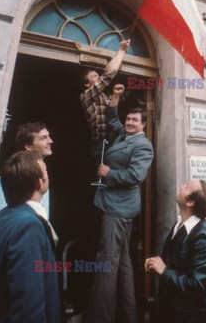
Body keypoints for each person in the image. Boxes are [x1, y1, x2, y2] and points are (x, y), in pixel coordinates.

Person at [88, 83, 154, 323]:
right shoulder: (123, 136)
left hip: (118, 209)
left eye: (135, 120)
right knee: (123, 264)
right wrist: (115, 97)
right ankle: (129, 316)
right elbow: (113, 119)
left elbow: (135, 177)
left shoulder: (143, 145)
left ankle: (100, 319)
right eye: (129, 118)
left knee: (107, 263)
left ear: (143, 125)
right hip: (115, 206)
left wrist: (108, 174)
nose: (129, 122)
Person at [0, 150, 60, 323]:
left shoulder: (0, 219)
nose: (48, 174)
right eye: (45, 171)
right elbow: (28, 304)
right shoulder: (28, 226)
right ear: (40, 183)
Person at [145, 179, 206, 323]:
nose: (182, 185)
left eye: (187, 186)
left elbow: (198, 285)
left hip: (190, 317)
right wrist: (157, 265)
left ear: (190, 202)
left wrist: (164, 270)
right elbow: (177, 263)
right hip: (172, 312)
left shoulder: (203, 236)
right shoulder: (180, 224)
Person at [80, 39, 130, 173]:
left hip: (114, 143)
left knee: (113, 177)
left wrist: (118, 93)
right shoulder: (86, 95)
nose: (99, 77)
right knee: (101, 181)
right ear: (87, 84)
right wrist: (121, 50)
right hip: (100, 145)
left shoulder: (104, 96)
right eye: (95, 76)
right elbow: (107, 76)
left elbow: (120, 101)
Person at [0, 121, 53, 218]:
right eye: (43, 138)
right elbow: (3, 222)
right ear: (29, 146)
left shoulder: (43, 182)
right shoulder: (11, 179)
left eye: (48, 136)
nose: (50, 141)